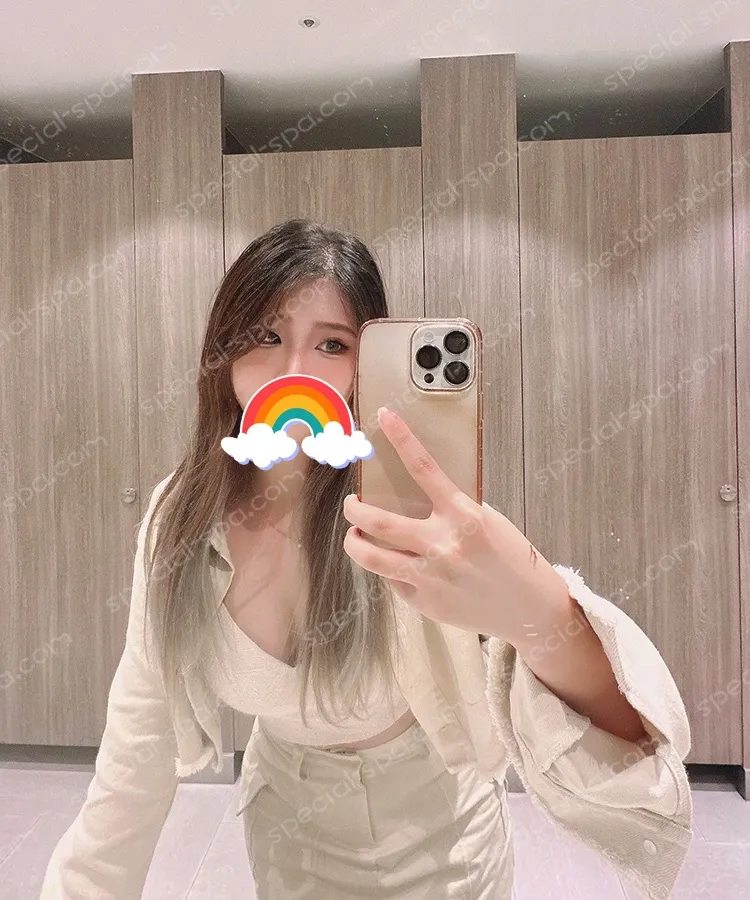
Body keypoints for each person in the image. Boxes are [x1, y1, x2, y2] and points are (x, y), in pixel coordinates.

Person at [40, 218, 693, 900]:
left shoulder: (410, 510)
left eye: (332, 344)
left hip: (446, 839)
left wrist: (539, 608)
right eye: (266, 336)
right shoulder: (179, 519)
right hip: (292, 838)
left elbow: (599, 722)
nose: (294, 372)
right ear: (223, 350)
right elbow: (137, 742)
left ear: (365, 366)